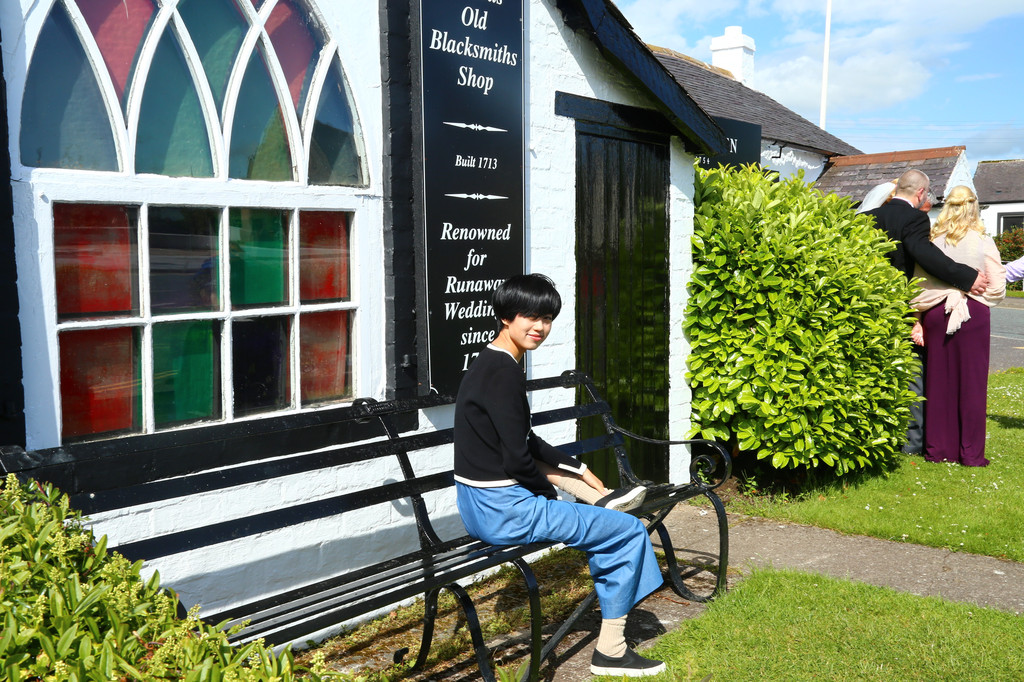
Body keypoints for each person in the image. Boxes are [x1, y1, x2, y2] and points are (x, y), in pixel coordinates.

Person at [453, 274, 665, 677]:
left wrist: (579, 471)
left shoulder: (492, 362)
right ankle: (612, 653)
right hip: (504, 509)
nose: (539, 327)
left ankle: (599, 502)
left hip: (480, 503)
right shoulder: (503, 375)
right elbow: (518, 461)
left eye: (547, 318)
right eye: (529, 316)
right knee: (627, 530)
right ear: (506, 316)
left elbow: (525, 441)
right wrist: (553, 497)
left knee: (606, 516)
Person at [863, 169, 989, 455]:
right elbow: (923, 254)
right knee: (913, 370)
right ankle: (912, 441)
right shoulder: (915, 218)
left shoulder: (866, 218)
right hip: (902, 303)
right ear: (920, 194)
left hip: (868, 303)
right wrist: (966, 276)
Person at [909, 186, 1005, 466]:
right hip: (973, 314)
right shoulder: (983, 241)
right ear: (973, 208)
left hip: (937, 313)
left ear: (947, 206)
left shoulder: (931, 242)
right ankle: (970, 453)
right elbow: (998, 288)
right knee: (973, 384)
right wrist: (973, 293)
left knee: (938, 381)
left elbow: (918, 287)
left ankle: (937, 449)